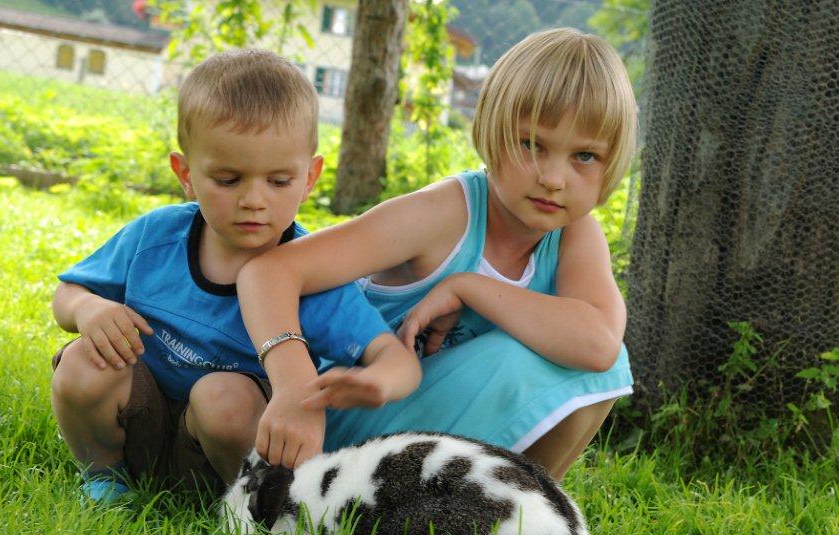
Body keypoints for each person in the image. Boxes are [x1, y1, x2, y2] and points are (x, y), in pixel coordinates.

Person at [238, 28, 637, 481]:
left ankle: (520, 510)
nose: (553, 178)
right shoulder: (445, 214)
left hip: (433, 446)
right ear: (492, 131)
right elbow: (269, 272)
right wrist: (293, 388)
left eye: (584, 156)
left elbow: (600, 346)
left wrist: (468, 287)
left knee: (597, 362)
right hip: (338, 428)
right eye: (531, 145)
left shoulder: (574, 235)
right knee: (522, 358)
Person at [50, 49, 420, 504]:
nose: (254, 200)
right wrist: (88, 308)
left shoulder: (311, 269)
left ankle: (251, 511)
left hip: (230, 455)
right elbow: (67, 294)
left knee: (222, 396)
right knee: (83, 361)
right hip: (137, 424)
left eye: (279, 181)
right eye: (228, 180)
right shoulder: (156, 237)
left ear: (310, 177)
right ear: (186, 174)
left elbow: (399, 363)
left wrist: (378, 381)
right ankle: (106, 478)